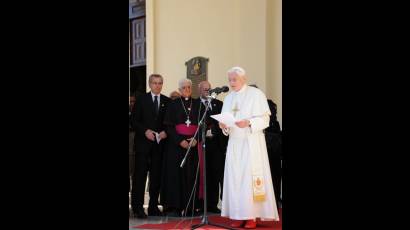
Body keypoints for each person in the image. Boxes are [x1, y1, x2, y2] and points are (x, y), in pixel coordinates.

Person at [219, 67, 279, 229]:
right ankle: (239, 215)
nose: (231, 83)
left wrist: (249, 122)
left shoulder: (256, 94)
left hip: (251, 142)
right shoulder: (229, 98)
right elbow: (226, 122)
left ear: (243, 79)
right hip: (234, 143)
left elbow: (265, 119)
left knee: (248, 179)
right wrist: (224, 125)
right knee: (235, 179)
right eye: (229, 80)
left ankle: (251, 216)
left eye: (234, 80)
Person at [130, 74, 170, 218]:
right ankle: (137, 208)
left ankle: (153, 207)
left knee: (156, 178)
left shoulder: (167, 101)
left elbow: (169, 122)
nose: (157, 85)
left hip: (159, 147)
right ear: (149, 84)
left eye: (160, 83)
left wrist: (166, 132)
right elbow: (133, 121)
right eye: (155, 83)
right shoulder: (141, 100)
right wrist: (145, 131)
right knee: (140, 178)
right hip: (142, 146)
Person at [161, 78, 201, 216]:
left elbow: (202, 125)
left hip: (193, 144)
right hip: (177, 146)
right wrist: (179, 141)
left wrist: (196, 139)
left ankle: (191, 206)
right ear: (179, 90)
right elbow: (169, 126)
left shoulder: (198, 103)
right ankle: (177, 206)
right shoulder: (173, 105)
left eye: (189, 87)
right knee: (177, 176)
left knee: (191, 175)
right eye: (184, 87)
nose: (187, 90)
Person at [196, 81, 227, 213]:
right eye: (204, 89)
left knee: (215, 174)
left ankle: (213, 204)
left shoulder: (219, 104)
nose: (207, 91)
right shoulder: (195, 104)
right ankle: (202, 204)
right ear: (199, 90)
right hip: (200, 145)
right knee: (203, 175)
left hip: (217, 145)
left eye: (209, 89)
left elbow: (225, 122)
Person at [249, 84, 282, 206]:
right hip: (253, 146)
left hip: (270, 146)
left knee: (274, 174)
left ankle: (275, 199)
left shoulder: (268, 104)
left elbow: (269, 121)